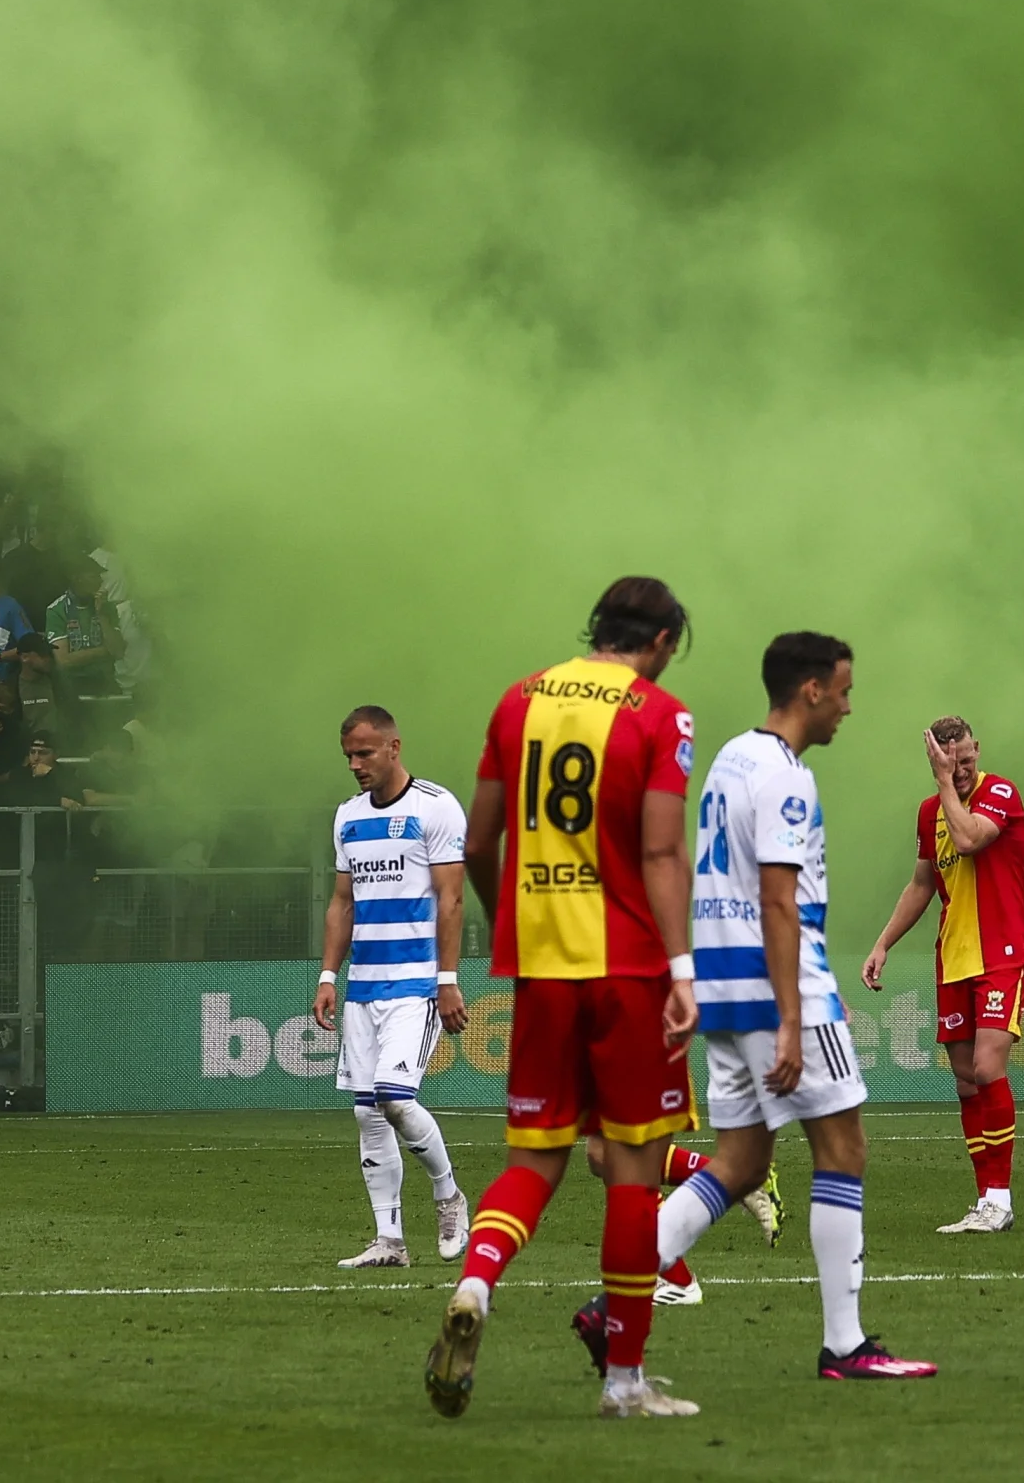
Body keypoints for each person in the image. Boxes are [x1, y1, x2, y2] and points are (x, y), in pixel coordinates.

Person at [424, 576, 716, 1424]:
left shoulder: (519, 700)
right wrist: (683, 969)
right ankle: (624, 1382)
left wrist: (509, 922)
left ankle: (476, 1284)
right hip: (630, 969)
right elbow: (660, 853)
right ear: (660, 642)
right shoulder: (662, 715)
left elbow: (480, 841)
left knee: (534, 1162)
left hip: (543, 965)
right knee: (632, 1172)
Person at [627, 629, 933, 1384]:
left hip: (726, 986)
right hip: (777, 987)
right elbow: (777, 899)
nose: (848, 708)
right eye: (844, 692)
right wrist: (794, 1017)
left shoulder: (731, 757)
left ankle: (617, 1296)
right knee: (843, 1150)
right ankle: (845, 1345)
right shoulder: (786, 777)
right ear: (812, 690)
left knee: (740, 1162)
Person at [859, 712, 1024, 1233]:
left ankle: (1000, 1199)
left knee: (987, 1067)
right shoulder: (928, 812)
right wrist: (883, 943)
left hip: (1001, 953)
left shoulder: (1000, 792)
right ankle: (984, 1201)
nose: (959, 770)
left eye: (965, 759)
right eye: (948, 762)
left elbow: (968, 839)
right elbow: (921, 884)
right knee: (965, 1081)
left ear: (977, 749)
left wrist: (944, 784)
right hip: (954, 957)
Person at [317, 703, 474, 1271]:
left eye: (364, 753)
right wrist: (328, 976)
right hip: (363, 988)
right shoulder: (347, 817)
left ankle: (449, 1194)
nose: (355, 764)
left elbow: (452, 899)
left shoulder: (435, 807)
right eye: (348, 756)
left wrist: (447, 981)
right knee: (367, 1114)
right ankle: (390, 1241)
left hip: (415, 984)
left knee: (395, 1098)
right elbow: (343, 903)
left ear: (393, 748)